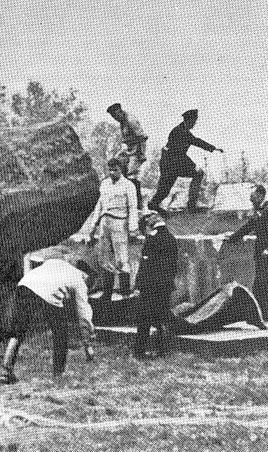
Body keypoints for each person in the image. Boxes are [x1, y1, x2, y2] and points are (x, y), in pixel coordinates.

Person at [0, 259, 96, 384]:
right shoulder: (79, 280)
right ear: (86, 275)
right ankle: (58, 375)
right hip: (47, 293)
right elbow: (84, 316)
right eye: (90, 282)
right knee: (61, 333)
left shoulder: (57, 262)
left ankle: (5, 373)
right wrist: (87, 344)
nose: (88, 285)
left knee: (18, 332)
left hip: (25, 285)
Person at [226, 184, 268, 326]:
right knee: (260, 284)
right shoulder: (259, 211)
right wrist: (232, 237)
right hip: (261, 253)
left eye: (253, 196)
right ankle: (261, 316)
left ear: (260, 195)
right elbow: (248, 227)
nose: (251, 199)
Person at [147, 109, 223, 214]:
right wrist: (193, 164)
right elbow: (179, 152)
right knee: (196, 174)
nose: (195, 124)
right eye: (194, 121)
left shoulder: (183, 130)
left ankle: (155, 204)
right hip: (171, 163)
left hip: (172, 162)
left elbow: (196, 141)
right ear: (189, 120)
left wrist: (213, 148)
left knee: (165, 189)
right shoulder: (180, 131)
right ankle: (190, 206)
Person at [86, 157, 139, 300]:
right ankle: (107, 292)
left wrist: (133, 228)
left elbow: (133, 207)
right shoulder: (104, 184)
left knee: (122, 258)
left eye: (115, 169)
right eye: (110, 169)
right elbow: (99, 206)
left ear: (121, 170)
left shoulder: (128, 185)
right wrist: (92, 228)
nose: (112, 172)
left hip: (119, 222)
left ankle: (125, 292)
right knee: (105, 258)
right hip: (105, 222)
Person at [134, 210, 178, 359]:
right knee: (162, 317)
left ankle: (139, 351)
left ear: (149, 226)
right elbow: (173, 266)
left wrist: (138, 285)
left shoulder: (152, 239)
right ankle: (162, 350)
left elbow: (145, 265)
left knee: (144, 319)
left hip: (150, 286)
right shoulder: (172, 238)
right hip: (165, 285)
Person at [106, 103, 148, 208]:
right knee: (116, 164)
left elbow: (142, 137)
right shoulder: (122, 121)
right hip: (129, 149)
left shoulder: (130, 120)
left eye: (115, 115)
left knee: (132, 176)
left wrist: (141, 154)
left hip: (137, 150)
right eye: (113, 117)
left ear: (120, 111)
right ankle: (123, 201)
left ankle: (138, 204)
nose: (115, 118)